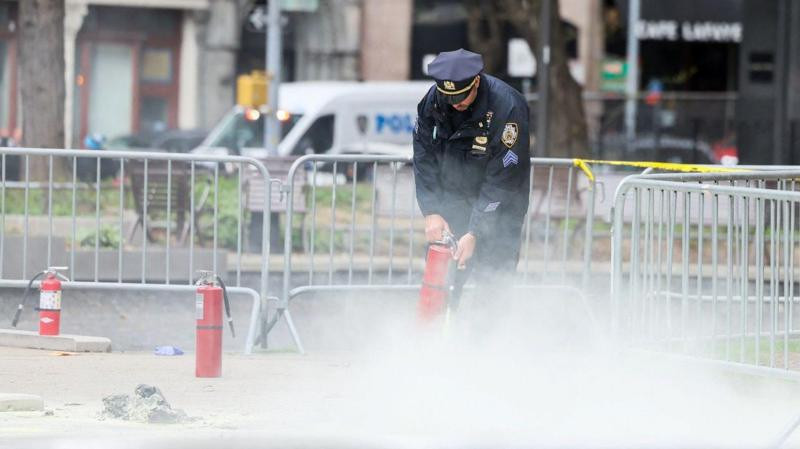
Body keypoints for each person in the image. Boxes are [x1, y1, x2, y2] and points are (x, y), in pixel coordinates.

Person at [413, 48, 530, 298]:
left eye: (463, 96)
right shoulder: (433, 101)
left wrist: (476, 231)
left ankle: (488, 335)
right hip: (452, 203)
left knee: (493, 288)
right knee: (440, 285)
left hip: (500, 209)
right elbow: (423, 157)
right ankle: (435, 335)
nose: (457, 104)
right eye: (450, 97)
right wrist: (431, 211)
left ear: (476, 81)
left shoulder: (507, 108)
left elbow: (504, 178)